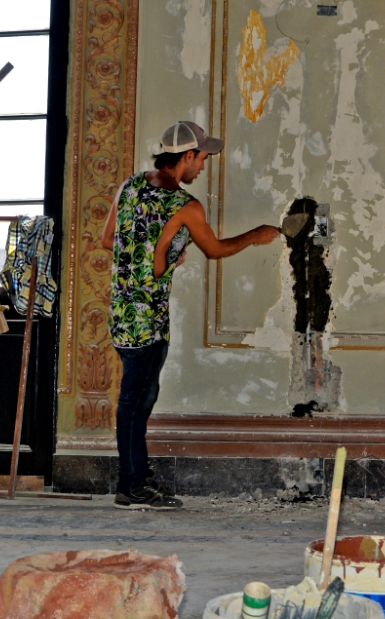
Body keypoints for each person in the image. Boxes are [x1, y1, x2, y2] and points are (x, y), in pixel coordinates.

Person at [101, 121, 280, 510]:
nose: (202, 166)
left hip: (121, 314)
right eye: (201, 158)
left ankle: (136, 477)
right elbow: (214, 250)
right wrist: (254, 235)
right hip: (148, 320)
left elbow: (107, 239)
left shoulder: (131, 185)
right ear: (185, 157)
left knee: (140, 399)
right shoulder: (184, 206)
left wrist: (161, 257)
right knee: (135, 403)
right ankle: (130, 486)